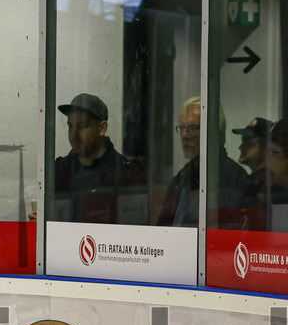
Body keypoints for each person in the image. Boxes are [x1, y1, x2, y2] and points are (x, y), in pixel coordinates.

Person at [156, 97, 255, 229]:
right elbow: (164, 230)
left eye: (194, 127)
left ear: (216, 133)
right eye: (182, 127)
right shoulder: (181, 178)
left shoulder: (237, 181)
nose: (185, 135)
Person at [53, 93, 147, 224]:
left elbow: (137, 228)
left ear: (102, 128)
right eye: (70, 126)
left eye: (82, 125)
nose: (73, 135)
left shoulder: (126, 173)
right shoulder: (58, 171)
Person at [232, 116, 274, 190]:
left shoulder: (267, 184)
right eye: (243, 141)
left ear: (264, 148)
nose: (240, 147)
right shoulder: (253, 181)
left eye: (247, 142)